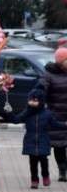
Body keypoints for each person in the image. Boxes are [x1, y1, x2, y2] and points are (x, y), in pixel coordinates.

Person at [10, 87, 67, 188]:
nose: (31, 102)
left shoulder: (47, 113)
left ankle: (45, 176)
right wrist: (9, 112)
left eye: (34, 100)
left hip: (43, 140)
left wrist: (65, 124)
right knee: (33, 163)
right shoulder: (27, 112)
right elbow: (16, 120)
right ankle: (34, 180)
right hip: (30, 140)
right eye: (30, 100)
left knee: (44, 161)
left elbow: (55, 124)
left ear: (40, 101)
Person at [38, 47, 67, 181]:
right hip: (57, 114)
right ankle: (62, 171)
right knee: (60, 144)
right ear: (61, 61)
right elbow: (42, 88)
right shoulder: (49, 74)